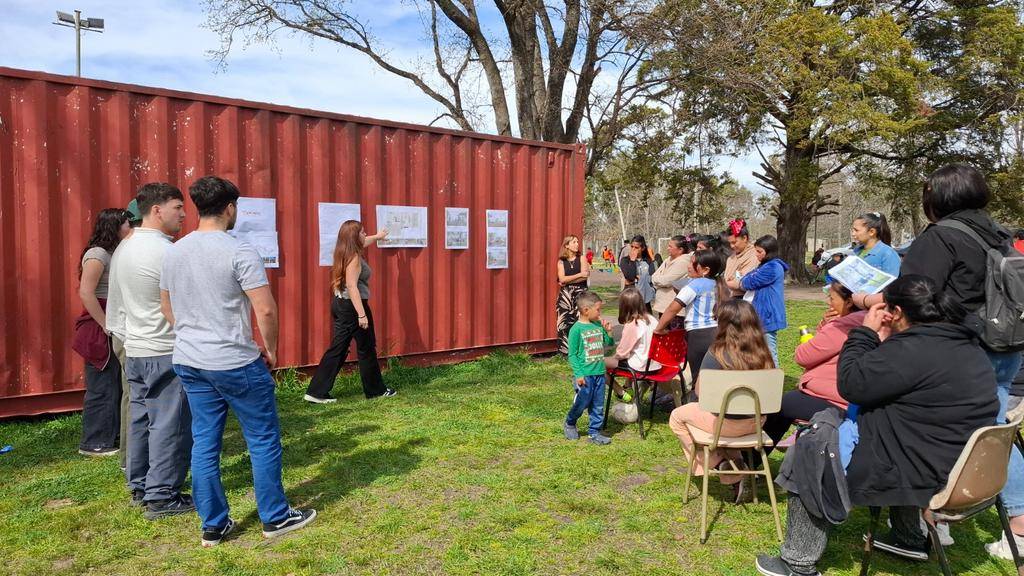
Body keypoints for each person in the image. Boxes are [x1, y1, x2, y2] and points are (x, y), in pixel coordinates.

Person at [755, 275, 999, 576]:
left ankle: (797, 562)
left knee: (812, 445)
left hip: (920, 468)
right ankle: (908, 537)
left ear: (895, 313)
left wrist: (865, 333)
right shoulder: (966, 345)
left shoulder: (912, 349)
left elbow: (852, 385)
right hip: (966, 466)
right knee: (860, 429)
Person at [850, 164, 1024, 559]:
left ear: (938, 198)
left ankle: (937, 516)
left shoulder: (942, 236)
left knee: (939, 424)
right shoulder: (996, 233)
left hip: (959, 346)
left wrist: (864, 302)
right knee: (993, 428)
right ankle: (1015, 517)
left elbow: (912, 293)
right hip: (1005, 343)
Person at [161, 176, 316, 547]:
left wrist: (195, 332)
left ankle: (213, 524)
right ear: (230, 208)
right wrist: (273, 351)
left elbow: (167, 307)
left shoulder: (175, 251)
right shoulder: (239, 250)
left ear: (198, 207)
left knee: (204, 442)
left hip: (190, 359)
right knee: (262, 439)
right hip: (233, 361)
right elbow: (265, 308)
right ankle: (275, 517)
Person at [107, 182, 193, 519]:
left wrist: (127, 340)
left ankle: (140, 485)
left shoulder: (124, 248)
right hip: (165, 349)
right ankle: (162, 497)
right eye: (178, 207)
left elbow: (115, 305)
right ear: (156, 210)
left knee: (141, 418)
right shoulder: (168, 252)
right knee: (169, 423)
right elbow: (187, 305)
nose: (184, 215)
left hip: (136, 348)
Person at [668, 300, 775, 502]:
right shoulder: (764, 353)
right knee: (719, 420)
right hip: (757, 423)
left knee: (677, 417)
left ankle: (719, 463)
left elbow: (701, 393)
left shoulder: (717, 352)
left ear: (723, 324)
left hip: (724, 425)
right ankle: (734, 462)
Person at [761, 283, 865, 450]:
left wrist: (829, 326)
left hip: (835, 400)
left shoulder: (845, 326)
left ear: (849, 302)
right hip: (845, 397)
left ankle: (747, 460)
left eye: (832, 298)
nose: (829, 303)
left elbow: (804, 356)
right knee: (787, 402)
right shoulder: (868, 320)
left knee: (779, 405)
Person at [305, 220, 395, 403]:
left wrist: (378, 237)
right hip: (353, 307)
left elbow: (364, 241)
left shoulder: (343, 250)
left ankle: (316, 391)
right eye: (362, 232)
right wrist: (362, 315)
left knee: (339, 347)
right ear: (354, 237)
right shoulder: (354, 258)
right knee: (366, 348)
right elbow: (353, 287)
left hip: (340, 304)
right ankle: (375, 390)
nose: (365, 235)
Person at [73, 208, 131, 456]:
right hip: (100, 324)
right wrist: (105, 323)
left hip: (114, 319)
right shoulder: (97, 254)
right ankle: (94, 442)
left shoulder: (115, 252)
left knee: (115, 383)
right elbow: (86, 292)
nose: (132, 228)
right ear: (114, 226)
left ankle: (111, 435)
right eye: (128, 224)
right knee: (102, 385)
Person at [654, 250, 730, 387]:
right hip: (718, 332)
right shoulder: (720, 285)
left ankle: (701, 405)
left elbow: (673, 308)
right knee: (716, 375)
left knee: (699, 379)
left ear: (705, 270)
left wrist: (659, 328)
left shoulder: (695, 285)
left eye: (693, 263)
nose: (689, 266)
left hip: (698, 336)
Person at [109, 199, 144, 471]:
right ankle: (132, 461)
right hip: (132, 336)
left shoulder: (124, 247)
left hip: (126, 332)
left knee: (132, 397)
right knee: (136, 400)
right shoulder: (135, 249)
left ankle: (130, 459)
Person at [564, 291, 615, 446]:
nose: (600, 313)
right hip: (585, 376)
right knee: (582, 402)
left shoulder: (598, 325)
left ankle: (594, 432)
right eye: (598, 309)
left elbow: (609, 344)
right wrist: (579, 374)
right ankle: (570, 422)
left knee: (598, 404)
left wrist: (609, 332)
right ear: (586, 310)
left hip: (599, 373)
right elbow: (572, 355)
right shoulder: (576, 330)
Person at [729, 235, 788, 366]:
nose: (756, 255)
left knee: (769, 351)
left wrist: (740, 281)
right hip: (759, 314)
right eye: (756, 251)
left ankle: (774, 381)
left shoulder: (773, 267)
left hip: (767, 315)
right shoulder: (763, 266)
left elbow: (748, 281)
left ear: (769, 251)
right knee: (756, 351)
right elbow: (747, 277)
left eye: (759, 251)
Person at [604, 287, 662, 398]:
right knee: (632, 355)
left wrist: (612, 357)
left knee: (597, 363)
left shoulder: (632, 324)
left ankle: (620, 392)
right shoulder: (652, 319)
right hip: (654, 364)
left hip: (640, 366)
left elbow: (622, 354)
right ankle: (627, 386)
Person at [555, 235, 591, 355]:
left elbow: (585, 276)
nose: (577, 244)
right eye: (574, 242)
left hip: (581, 294)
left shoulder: (582, 258)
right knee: (563, 323)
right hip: (565, 296)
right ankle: (565, 352)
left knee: (580, 321)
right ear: (567, 245)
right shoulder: (561, 261)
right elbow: (562, 279)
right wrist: (579, 274)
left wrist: (567, 280)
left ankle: (580, 351)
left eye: (577, 241)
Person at [651, 235, 692, 330]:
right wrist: (658, 279)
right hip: (663, 307)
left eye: (670, 246)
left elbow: (667, 281)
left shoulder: (683, 262)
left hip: (675, 310)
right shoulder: (667, 260)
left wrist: (658, 280)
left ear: (680, 249)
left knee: (674, 337)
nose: (667, 248)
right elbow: (653, 276)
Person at [850, 212, 901, 276]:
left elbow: (892, 283)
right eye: (853, 230)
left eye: (856, 230)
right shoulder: (855, 251)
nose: (853, 234)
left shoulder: (888, 254)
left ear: (872, 232)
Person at [724, 218, 759, 299]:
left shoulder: (754, 255)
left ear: (744, 238)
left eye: (734, 242)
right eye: (730, 243)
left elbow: (744, 282)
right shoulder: (731, 258)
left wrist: (724, 283)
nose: (732, 246)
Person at [619, 235, 655, 308]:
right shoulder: (625, 260)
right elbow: (630, 277)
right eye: (632, 247)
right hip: (630, 296)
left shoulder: (648, 261)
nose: (633, 249)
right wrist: (632, 260)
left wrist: (640, 278)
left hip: (645, 297)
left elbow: (652, 277)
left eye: (636, 248)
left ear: (643, 248)